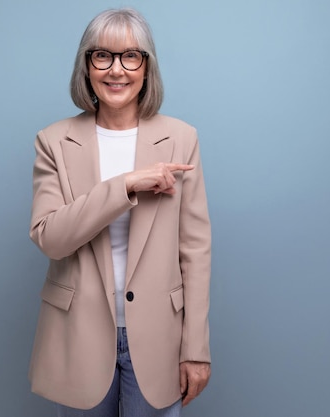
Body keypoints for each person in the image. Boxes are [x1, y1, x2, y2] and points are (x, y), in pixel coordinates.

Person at [28, 8, 211, 417]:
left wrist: (196, 348)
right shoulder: (54, 141)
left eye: (131, 56)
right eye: (102, 56)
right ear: (87, 65)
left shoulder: (182, 138)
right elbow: (51, 238)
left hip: (158, 338)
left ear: (147, 67)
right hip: (77, 339)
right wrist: (125, 184)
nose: (116, 70)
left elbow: (195, 252)